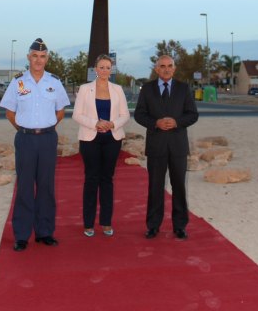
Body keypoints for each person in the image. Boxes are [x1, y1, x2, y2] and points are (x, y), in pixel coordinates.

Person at [0, 37, 70, 251]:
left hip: (48, 139)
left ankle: (44, 232)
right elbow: (10, 112)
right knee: (25, 186)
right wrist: (24, 129)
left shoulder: (54, 82)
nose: (38, 60)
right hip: (26, 139)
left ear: (47, 59)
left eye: (42, 57)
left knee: (47, 186)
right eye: (35, 56)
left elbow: (60, 111)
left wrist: (45, 127)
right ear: (28, 57)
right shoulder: (18, 82)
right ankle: (21, 235)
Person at [134, 55, 198, 240]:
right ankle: (153, 226)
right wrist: (156, 123)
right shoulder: (147, 89)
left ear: (174, 69)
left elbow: (193, 115)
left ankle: (180, 226)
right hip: (156, 146)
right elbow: (139, 114)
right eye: (162, 66)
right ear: (156, 69)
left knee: (179, 186)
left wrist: (177, 122)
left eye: (170, 66)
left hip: (178, 146)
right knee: (155, 187)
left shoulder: (183, 89)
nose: (166, 69)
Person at [72, 54, 130, 237]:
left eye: (108, 67)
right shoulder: (84, 89)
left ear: (111, 70)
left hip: (112, 139)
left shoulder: (118, 89)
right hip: (90, 139)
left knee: (107, 180)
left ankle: (106, 222)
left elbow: (125, 115)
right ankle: (88, 223)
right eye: (101, 67)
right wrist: (96, 123)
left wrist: (112, 124)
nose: (105, 70)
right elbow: (77, 114)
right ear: (95, 69)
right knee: (91, 179)